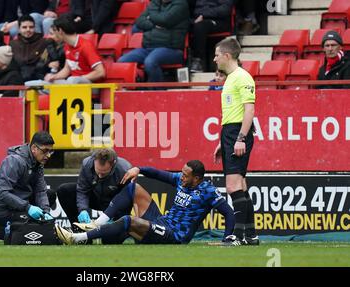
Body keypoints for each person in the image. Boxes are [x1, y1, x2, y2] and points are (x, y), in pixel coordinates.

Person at [55, 160, 235, 245]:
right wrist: (138, 168)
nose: (181, 177)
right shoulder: (181, 180)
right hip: (163, 222)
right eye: (181, 172)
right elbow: (158, 173)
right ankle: (97, 223)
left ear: (197, 178)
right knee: (134, 188)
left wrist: (227, 238)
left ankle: (76, 238)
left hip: (175, 235)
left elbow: (228, 212)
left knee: (128, 220)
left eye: (186, 175)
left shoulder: (208, 191)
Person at [213, 38, 259, 246]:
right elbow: (233, 113)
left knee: (233, 187)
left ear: (227, 56)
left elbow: (249, 110)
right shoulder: (232, 78)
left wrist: (240, 138)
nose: (214, 59)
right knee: (240, 184)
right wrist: (223, 142)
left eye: (216, 55)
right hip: (230, 133)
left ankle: (237, 237)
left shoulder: (242, 77)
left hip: (238, 133)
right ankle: (251, 235)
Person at [0, 131, 57, 245]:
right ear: (34, 148)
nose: (48, 155)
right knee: (25, 236)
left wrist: (45, 212)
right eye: (45, 151)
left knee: (49, 195)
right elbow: (2, 193)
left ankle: (18, 227)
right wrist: (28, 207)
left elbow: (40, 191)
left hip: (19, 205)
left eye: (51, 151)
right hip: (0, 209)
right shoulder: (14, 161)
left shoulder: (38, 163)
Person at [56, 148, 132, 243]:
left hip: (113, 203)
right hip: (95, 197)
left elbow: (127, 200)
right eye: (98, 171)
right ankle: (79, 230)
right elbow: (82, 190)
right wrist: (82, 209)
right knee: (65, 190)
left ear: (113, 164)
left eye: (103, 173)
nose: (99, 176)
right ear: (94, 161)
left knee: (110, 240)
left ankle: (119, 231)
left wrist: (115, 219)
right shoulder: (87, 163)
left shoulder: (125, 170)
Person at [117, 0, 189, 84]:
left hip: (171, 49)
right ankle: (135, 87)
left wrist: (150, 17)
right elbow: (139, 21)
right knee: (122, 61)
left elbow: (164, 20)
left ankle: (157, 91)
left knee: (150, 62)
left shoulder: (181, 4)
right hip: (148, 48)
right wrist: (154, 25)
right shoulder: (155, 3)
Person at [38, 13, 105, 85]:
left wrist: (79, 78)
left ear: (60, 31)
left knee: (72, 80)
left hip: (89, 85)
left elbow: (101, 72)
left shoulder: (86, 46)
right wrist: (53, 77)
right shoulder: (67, 46)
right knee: (40, 84)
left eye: (54, 31)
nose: (51, 36)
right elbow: (67, 70)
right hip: (73, 83)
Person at [189, 0, 234, 72]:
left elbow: (225, 9)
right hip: (198, 20)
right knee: (185, 25)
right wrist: (192, 20)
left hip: (218, 20)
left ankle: (197, 61)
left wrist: (203, 14)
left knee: (200, 26)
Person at [10, 15, 51, 81]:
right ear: (19, 29)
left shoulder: (43, 42)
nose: (28, 30)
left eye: (31, 27)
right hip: (17, 77)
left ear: (35, 28)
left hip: (38, 77)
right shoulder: (12, 44)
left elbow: (44, 62)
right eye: (24, 27)